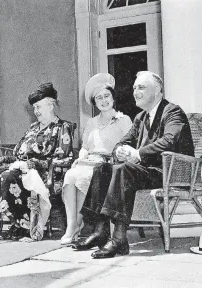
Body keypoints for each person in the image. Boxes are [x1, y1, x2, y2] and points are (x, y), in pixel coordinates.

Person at [73, 71, 194, 258]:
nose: (135, 92)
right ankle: (100, 230)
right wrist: (120, 149)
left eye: (141, 87)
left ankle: (120, 238)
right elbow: (122, 142)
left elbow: (169, 140)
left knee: (123, 169)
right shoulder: (140, 118)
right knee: (102, 169)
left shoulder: (172, 111)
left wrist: (138, 153)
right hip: (147, 171)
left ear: (158, 90)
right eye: (134, 88)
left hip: (169, 171)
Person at [0, 83, 74, 241]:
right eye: (34, 108)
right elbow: (18, 151)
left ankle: (24, 226)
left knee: (8, 178)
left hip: (42, 175)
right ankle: (15, 221)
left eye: (39, 107)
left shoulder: (61, 128)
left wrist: (34, 164)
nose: (36, 111)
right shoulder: (33, 128)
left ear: (51, 105)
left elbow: (65, 157)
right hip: (20, 170)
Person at [60, 73, 132, 245]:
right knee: (70, 176)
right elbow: (85, 146)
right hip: (88, 161)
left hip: (108, 166)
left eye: (106, 96)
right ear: (94, 103)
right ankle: (72, 224)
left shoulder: (124, 120)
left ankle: (77, 224)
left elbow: (129, 146)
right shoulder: (91, 122)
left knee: (84, 177)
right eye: (99, 98)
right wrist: (82, 155)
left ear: (113, 98)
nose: (103, 100)